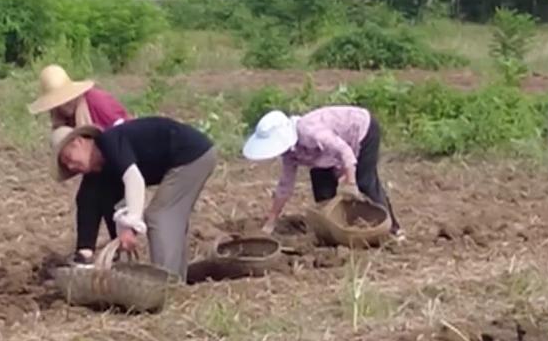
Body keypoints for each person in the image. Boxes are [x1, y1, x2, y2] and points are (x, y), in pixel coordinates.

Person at [52, 116, 217, 281]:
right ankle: (177, 280)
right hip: (190, 156)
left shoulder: (110, 142)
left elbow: (134, 180)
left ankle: (167, 285)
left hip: (192, 155)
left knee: (160, 216)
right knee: (172, 219)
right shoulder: (99, 173)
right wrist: (85, 252)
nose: (71, 167)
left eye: (68, 158)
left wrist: (131, 224)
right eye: (67, 167)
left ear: (79, 142)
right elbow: (90, 203)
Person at [242, 105, 400, 236]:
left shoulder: (310, 132)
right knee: (323, 193)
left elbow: (344, 151)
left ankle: (392, 230)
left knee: (365, 182)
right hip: (325, 154)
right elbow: (285, 186)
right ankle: (337, 230)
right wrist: (271, 220)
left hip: (360, 131)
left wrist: (350, 182)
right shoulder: (289, 154)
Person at [28, 64, 130, 262]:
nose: (61, 105)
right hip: (98, 162)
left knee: (110, 198)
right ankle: (85, 252)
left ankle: (118, 250)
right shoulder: (62, 116)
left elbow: (124, 132)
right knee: (86, 197)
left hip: (118, 156)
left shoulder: (98, 102)